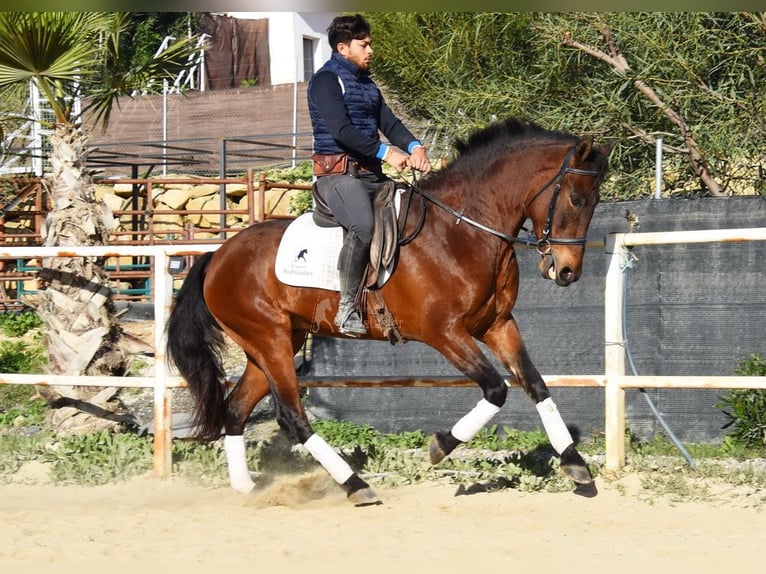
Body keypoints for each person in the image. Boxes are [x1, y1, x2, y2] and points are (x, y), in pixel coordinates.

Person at [308, 13, 431, 337]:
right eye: (364, 45)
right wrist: (387, 152)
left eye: (370, 44)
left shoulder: (367, 85)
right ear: (343, 47)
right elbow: (342, 130)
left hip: (371, 175)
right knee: (362, 226)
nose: (370, 50)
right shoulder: (325, 81)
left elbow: (389, 124)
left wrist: (415, 146)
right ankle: (347, 309)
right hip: (338, 176)